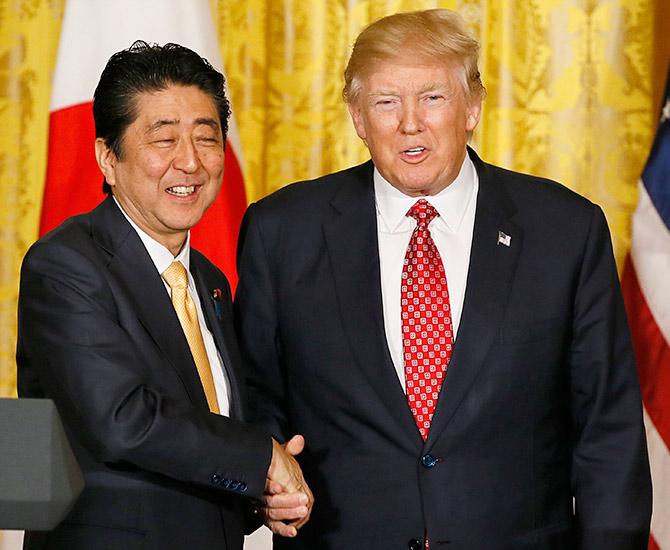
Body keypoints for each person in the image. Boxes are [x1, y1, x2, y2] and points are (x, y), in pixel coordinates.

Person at [235, 9, 652, 550]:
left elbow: (608, 431)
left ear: (473, 107)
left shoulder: (565, 231)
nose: (410, 123)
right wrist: (265, 478)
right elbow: (252, 395)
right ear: (358, 117)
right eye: (386, 101)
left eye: (433, 98)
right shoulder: (282, 231)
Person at [17, 41, 312, 550]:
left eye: (206, 137)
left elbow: (210, 435)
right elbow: (121, 421)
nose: (190, 163)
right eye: (164, 139)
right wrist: (260, 457)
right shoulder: (64, 264)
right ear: (107, 157)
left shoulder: (212, 281)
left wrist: (262, 496)